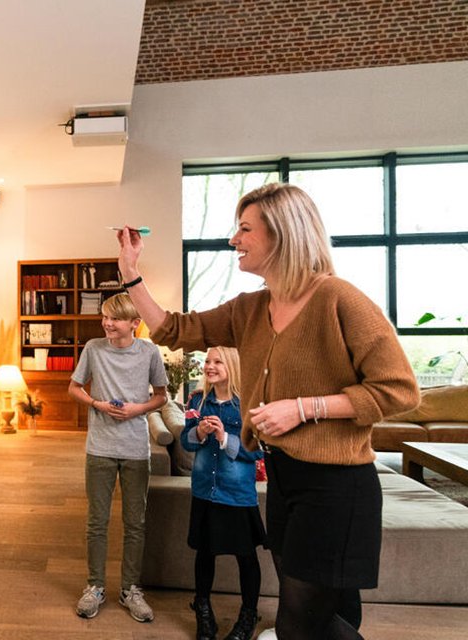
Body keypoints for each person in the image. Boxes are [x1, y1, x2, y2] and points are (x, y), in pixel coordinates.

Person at [117, 183, 419, 640]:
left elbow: (399, 390)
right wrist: (130, 272)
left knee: (298, 622)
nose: (233, 239)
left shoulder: (339, 299)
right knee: (326, 618)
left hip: (336, 486)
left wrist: (305, 408)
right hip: (283, 478)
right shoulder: (251, 308)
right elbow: (172, 329)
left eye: (244, 229)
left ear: (282, 234)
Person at [67, 292, 169, 622]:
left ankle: (130, 590)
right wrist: (97, 404)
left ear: (134, 324)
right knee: (97, 522)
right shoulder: (94, 349)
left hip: (135, 449)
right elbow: (74, 388)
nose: (107, 323)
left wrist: (138, 408)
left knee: (135, 523)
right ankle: (95, 586)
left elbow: (161, 397)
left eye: (115, 319)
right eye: (106, 317)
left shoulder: (149, 351)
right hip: (99, 448)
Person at [181, 346, 265, 640]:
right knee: (205, 552)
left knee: (245, 556)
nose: (209, 366)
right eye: (207, 361)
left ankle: (248, 615)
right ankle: (203, 611)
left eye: (217, 361)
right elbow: (186, 442)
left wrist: (224, 437)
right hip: (204, 492)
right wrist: (200, 433)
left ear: (232, 366)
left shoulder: (249, 405)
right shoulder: (195, 400)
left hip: (237, 494)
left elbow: (258, 452)